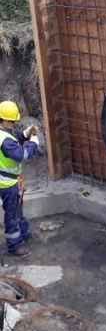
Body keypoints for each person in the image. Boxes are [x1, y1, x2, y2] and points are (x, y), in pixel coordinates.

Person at [0, 100, 39, 257]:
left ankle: (24, 233)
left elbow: (13, 139)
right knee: (12, 214)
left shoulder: (4, 134)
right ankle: (14, 246)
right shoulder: (4, 140)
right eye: (12, 121)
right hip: (8, 183)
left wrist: (23, 135)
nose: (14, 123)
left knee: (17, 210)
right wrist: (33, 144)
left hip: (11, 181)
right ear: (4, 120)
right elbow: (21, 154)